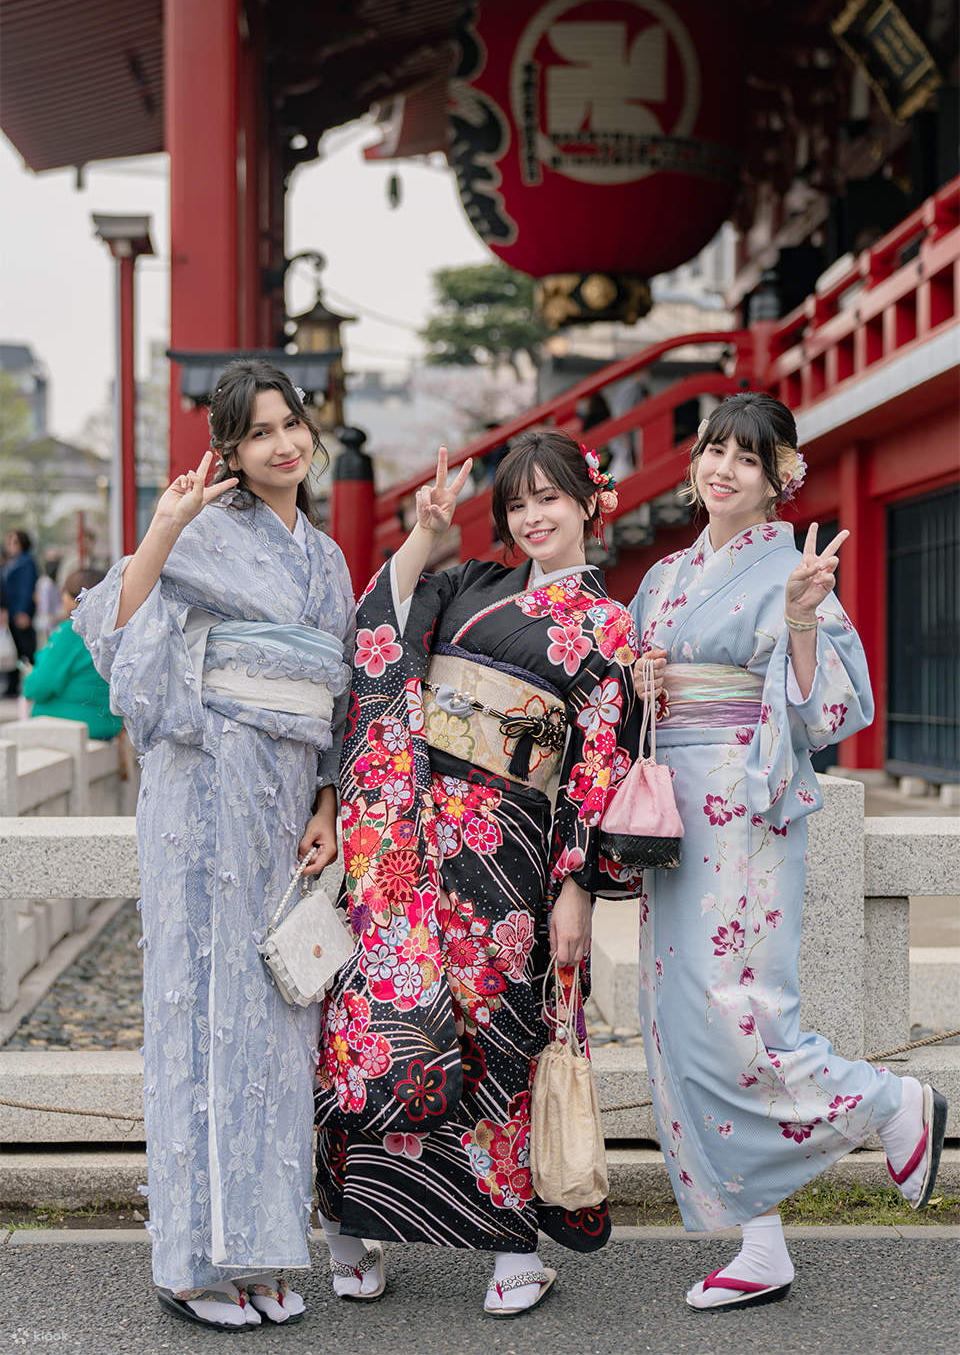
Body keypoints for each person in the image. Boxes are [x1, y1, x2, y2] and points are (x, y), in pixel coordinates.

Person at [628, 392, 947, 1311]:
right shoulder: (664, 578)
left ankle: (887, 1104)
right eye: (711, 451)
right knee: (681, 1027)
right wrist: (645, 679)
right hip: (669, 811)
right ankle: (759, 1242)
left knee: (740, 1013)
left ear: (778, 480)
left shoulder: (791, 572)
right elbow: (638, 698)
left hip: (743, 801)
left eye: (746, 457)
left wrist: (805, 620)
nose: (721, 468)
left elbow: (834, 713)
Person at [315, 430, 642, 1316]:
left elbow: (597, 767)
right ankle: (354, 1225)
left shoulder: (610, 631)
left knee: (494, 1034)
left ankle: (509, 1250)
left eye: (550, 498)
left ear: (588, 503)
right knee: (381, 1016)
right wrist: (425, 531)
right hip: (410, 838)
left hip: (508, 854)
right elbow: (378, 631)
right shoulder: (470, 586)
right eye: (517, 504)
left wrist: (577, 886)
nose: (533, 517)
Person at [74, 359, 355, 1330]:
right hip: (202, 794)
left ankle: (265, 1250)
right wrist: (163, 526)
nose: (286, 442)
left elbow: (337, 694)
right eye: (261, 431)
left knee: (276, 1021)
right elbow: (107, 635)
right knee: (198, 1013)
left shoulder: (325, 559)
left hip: (283, 806)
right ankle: (190, 1264)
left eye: (293, 424)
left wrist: (328, 799)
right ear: (229, 450)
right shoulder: (198, 537)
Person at [23, 568, 123, 739]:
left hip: (76, 725)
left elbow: (38, 687)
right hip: (108, 722)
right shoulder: (114, 629)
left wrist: (30, 675)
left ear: (73, 599)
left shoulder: (71, 632)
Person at [1, 529, 38, 695]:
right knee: (14, 651)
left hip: (19, 612)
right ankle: (12, 687)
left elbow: (26, 589)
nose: (11, 546)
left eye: (14, 542)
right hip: (10, 612)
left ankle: (33, 682)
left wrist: (23, 611)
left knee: (26, 651)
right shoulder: (11, 562)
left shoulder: (26, 562)